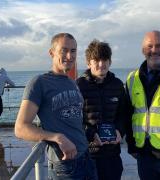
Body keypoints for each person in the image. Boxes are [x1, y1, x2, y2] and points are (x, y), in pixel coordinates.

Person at [14, 33, 98, 180]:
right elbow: (20, 128)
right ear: (51, 53)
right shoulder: (39, 83)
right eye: (64, 50)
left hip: (86, 158)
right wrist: (57, 137)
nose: (69, 55)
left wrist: (90, 135)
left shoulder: (73, 83)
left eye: (73, 51)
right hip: (65, 167)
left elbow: (75, 121)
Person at [76, 39, 127, 180]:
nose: (101, 64)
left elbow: (123, 114)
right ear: (88, 63)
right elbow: (74, 119)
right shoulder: (78, 86)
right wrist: (91, 134)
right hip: (87, 155)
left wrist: (119, 131)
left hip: (112, 156)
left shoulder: (117, 85)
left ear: (110, 62)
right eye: (96, 60)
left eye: (105, 59)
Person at [126, 30, 160, 180]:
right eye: (149, 46)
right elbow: (128, 114)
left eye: (159, 46)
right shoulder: (132, 78)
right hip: (144, 156)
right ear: (143, 50)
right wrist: (131, 145)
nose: (154, 50)